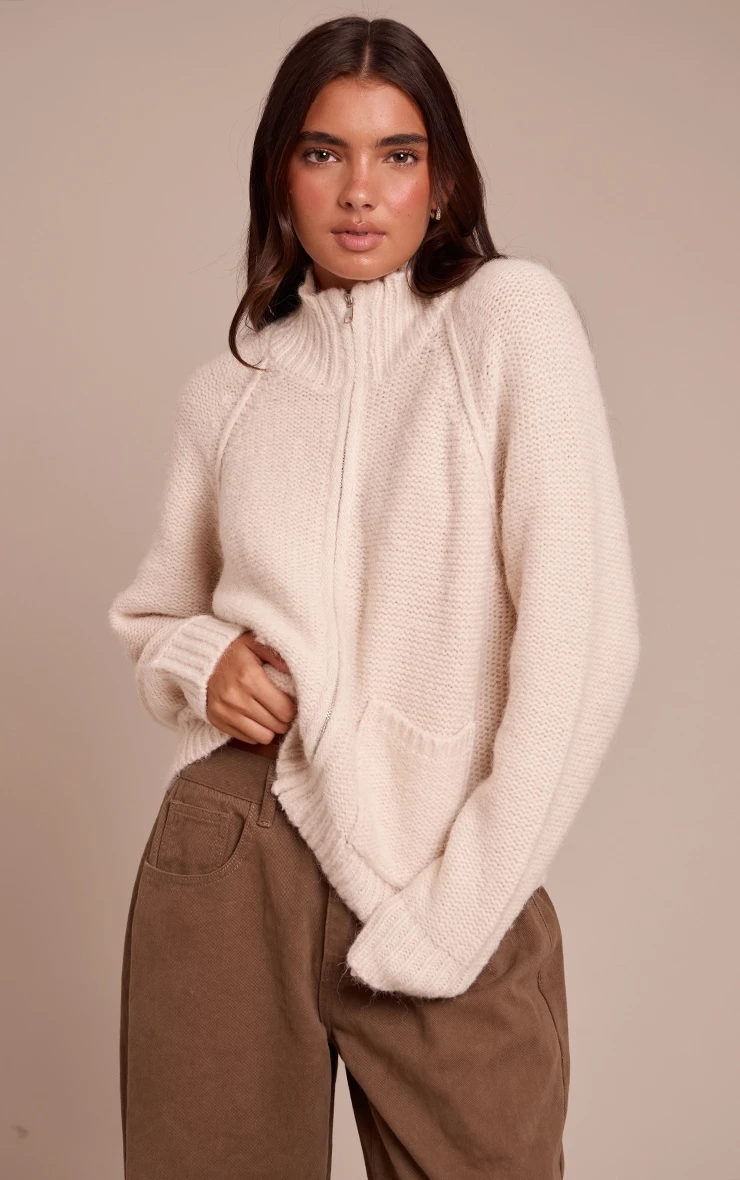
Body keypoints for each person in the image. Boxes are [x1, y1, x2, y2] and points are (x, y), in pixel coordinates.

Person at [108, 15, 640, 1180]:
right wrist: (203, 659)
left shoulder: (508, 321)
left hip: (441, 864)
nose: (359, 191)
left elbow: (584, 636)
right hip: (234, 850)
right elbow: (154, 618)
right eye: (322, 153)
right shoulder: (227, 392)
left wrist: (459, 913)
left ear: (439, 180)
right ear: (279, 176)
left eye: (396, 154)